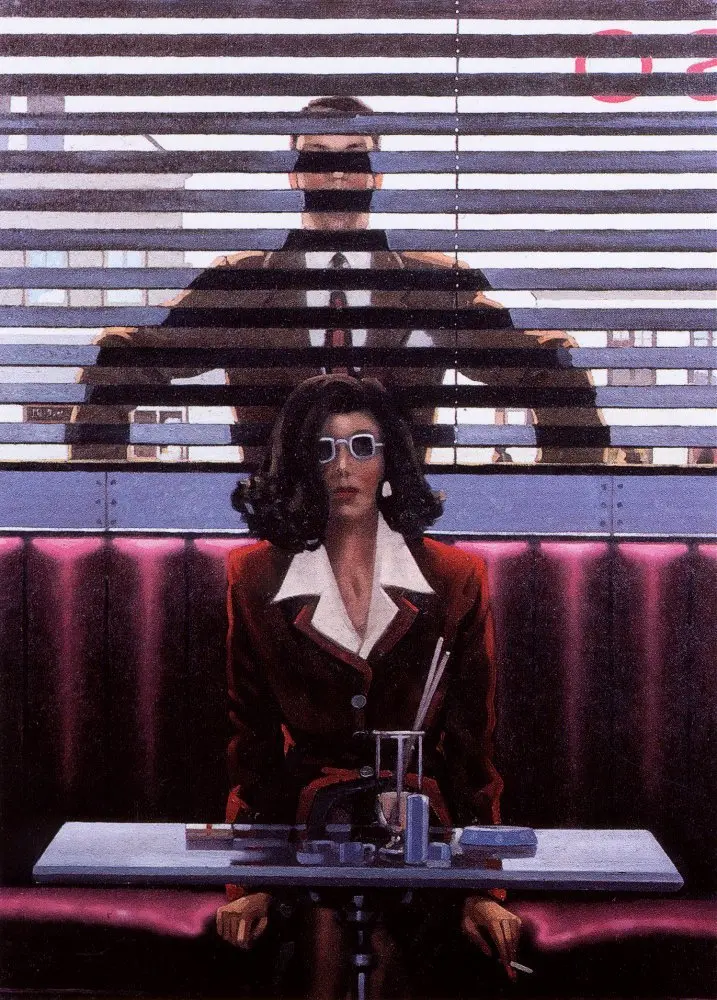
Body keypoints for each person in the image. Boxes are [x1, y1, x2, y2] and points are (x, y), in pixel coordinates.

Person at [70, 96, 609, 465]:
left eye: (355, 158)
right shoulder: (241, 285)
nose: (336, 173)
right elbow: (121, 362)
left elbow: (551, 371)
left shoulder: (433, 284)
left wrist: (563, 502)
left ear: (378, 174)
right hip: (278, 531)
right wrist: (102, 497)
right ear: (294, 174)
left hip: (398, 530)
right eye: (318, 157)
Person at [214, 374, 521, 999]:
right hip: (305, 828)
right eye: (323, 448)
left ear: (389, 461)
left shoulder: (455, 577)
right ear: (300, 463)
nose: (342, 466)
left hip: (422, 830)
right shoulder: (255, 577)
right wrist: (251, 883)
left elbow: (473, 751)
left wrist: (482, 889)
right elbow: (252, 747)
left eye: (361, 445)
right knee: (322, 923)